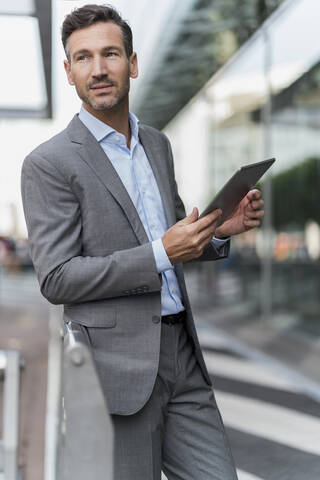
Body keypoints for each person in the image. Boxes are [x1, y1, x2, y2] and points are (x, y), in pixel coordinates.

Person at [21, 4, 264, 479]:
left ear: (132, 63)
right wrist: (161, 252)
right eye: (84, 58)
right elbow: (57, 278)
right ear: (68, 73)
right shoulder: (48, 164)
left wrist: (218, 231)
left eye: (110, 54)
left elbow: (173, 235)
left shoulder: (156, 144)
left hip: (182, 356)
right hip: (114, 372)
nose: (99, 69)